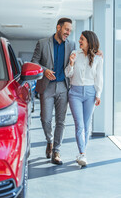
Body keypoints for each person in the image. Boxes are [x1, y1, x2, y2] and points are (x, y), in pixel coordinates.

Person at [31, 18, 75, 165]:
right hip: (47, 86)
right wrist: (44, 70)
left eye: (70, 30)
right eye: (66, 29)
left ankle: (56, 150)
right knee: (45, 119)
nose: (68, 33)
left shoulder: (72, 45)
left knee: (61, 121)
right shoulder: (43, 43)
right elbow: (34, 62)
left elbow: (81, 56)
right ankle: (49, 140)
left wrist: (97, 53)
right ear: (58, 27)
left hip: (63, 86)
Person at [65, 30, 103, 166]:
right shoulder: (75, 54)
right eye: (80, 39)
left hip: (90, 93)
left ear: (89, 41)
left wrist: (98, 95)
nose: (79, 41)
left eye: (82, 39)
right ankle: (82, 153)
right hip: (74, 93)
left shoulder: (98, 58)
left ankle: (82, 153)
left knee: (87, 126)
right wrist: (71, 63)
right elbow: (68, 74)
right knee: (79, 125)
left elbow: (99, 78)